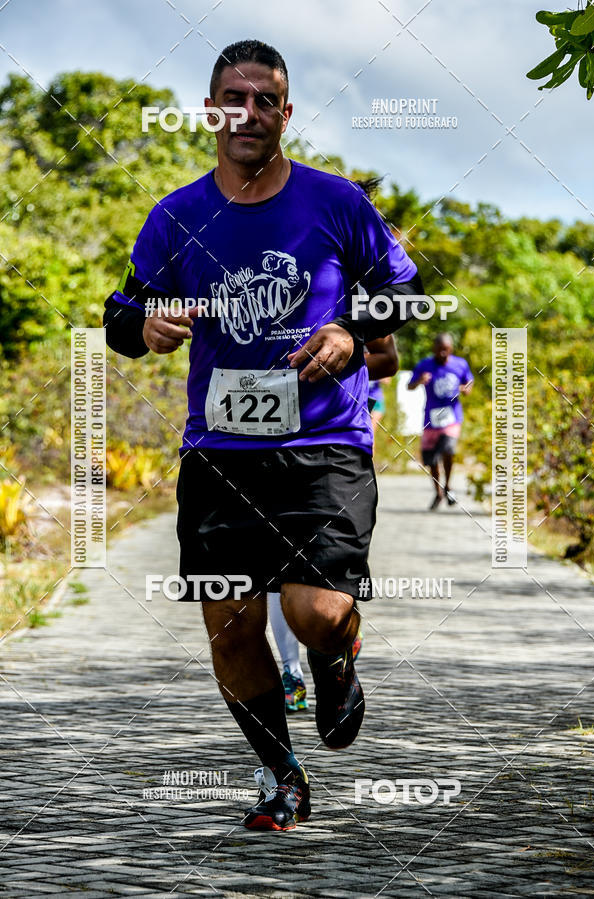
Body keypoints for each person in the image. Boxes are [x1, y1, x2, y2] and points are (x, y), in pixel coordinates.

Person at [103, 39, 424, 832]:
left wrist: (351, 329)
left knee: (316, 613)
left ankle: (335, 661)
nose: (249, 114)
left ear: (286, 112)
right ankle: (282, 776)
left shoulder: (337, 202)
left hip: (324, 444)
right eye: (233, 100)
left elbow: (407, 296)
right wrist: (145, 325)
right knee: (232, 626)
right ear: (211, 110)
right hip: (218, 451)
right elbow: (120, 312)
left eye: (266, 101)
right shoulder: (176, 214)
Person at [269, 335, 398, 713]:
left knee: (318, 592)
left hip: (329, 453)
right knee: (276, 577)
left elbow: (386, 361)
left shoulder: (352, 282)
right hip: (252, 448)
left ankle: (330, 647)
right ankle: (291, 673)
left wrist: (327, 364)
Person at [407, 333, 473, 509]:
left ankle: (449, 484)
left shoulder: (460, 364)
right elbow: (409, 385)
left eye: (446, 349)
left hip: (452, 416)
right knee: (432, 458)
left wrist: (466, 388)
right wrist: (420, 381)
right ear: (434, 349)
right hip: (431, 418)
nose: (443, 353)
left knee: (448, 448)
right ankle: (438, 492)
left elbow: (469, 381)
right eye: (440, 349)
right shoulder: (425, 365)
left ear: (451, 349)